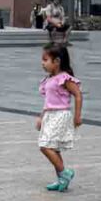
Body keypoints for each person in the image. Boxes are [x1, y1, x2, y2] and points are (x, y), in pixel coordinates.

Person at [35, 43, 83, 192]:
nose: (42, 63)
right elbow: (48, 102)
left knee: (45, 146)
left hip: (60, 115)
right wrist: (41, 117)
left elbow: (78, 95)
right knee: (53, 147)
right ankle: (61, 179)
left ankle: (64, 173)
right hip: (50, 115)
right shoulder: (50, 79)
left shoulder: (64, 78)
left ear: (56, 61)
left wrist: (77, 116)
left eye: (45, 60)